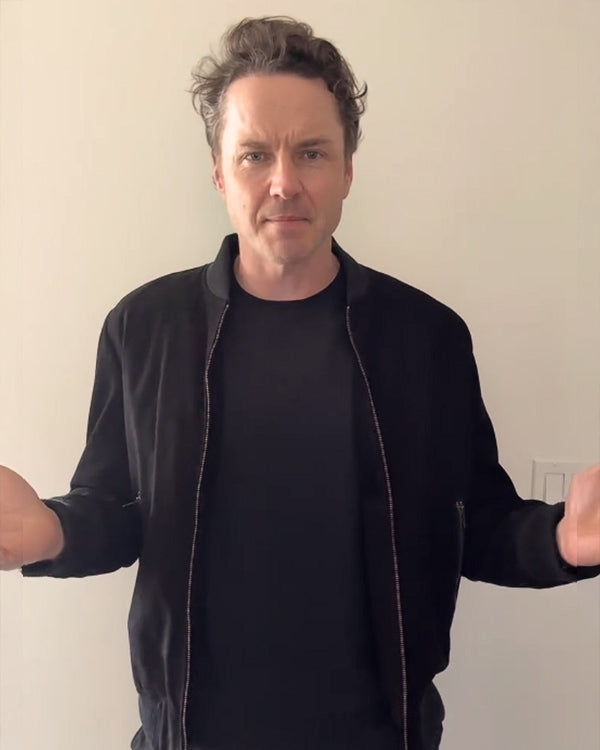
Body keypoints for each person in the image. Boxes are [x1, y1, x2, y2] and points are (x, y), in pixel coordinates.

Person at [1, 16, 599, 750]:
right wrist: (53, 532)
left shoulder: (427, 338)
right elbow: (116, 509)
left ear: (347, 169)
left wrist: (562, 543)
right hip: (191, 735)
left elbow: (478, 524)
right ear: (220, 173)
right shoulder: (145, 327)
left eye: (312, 153)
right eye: (255, 155)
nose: (284, 183)